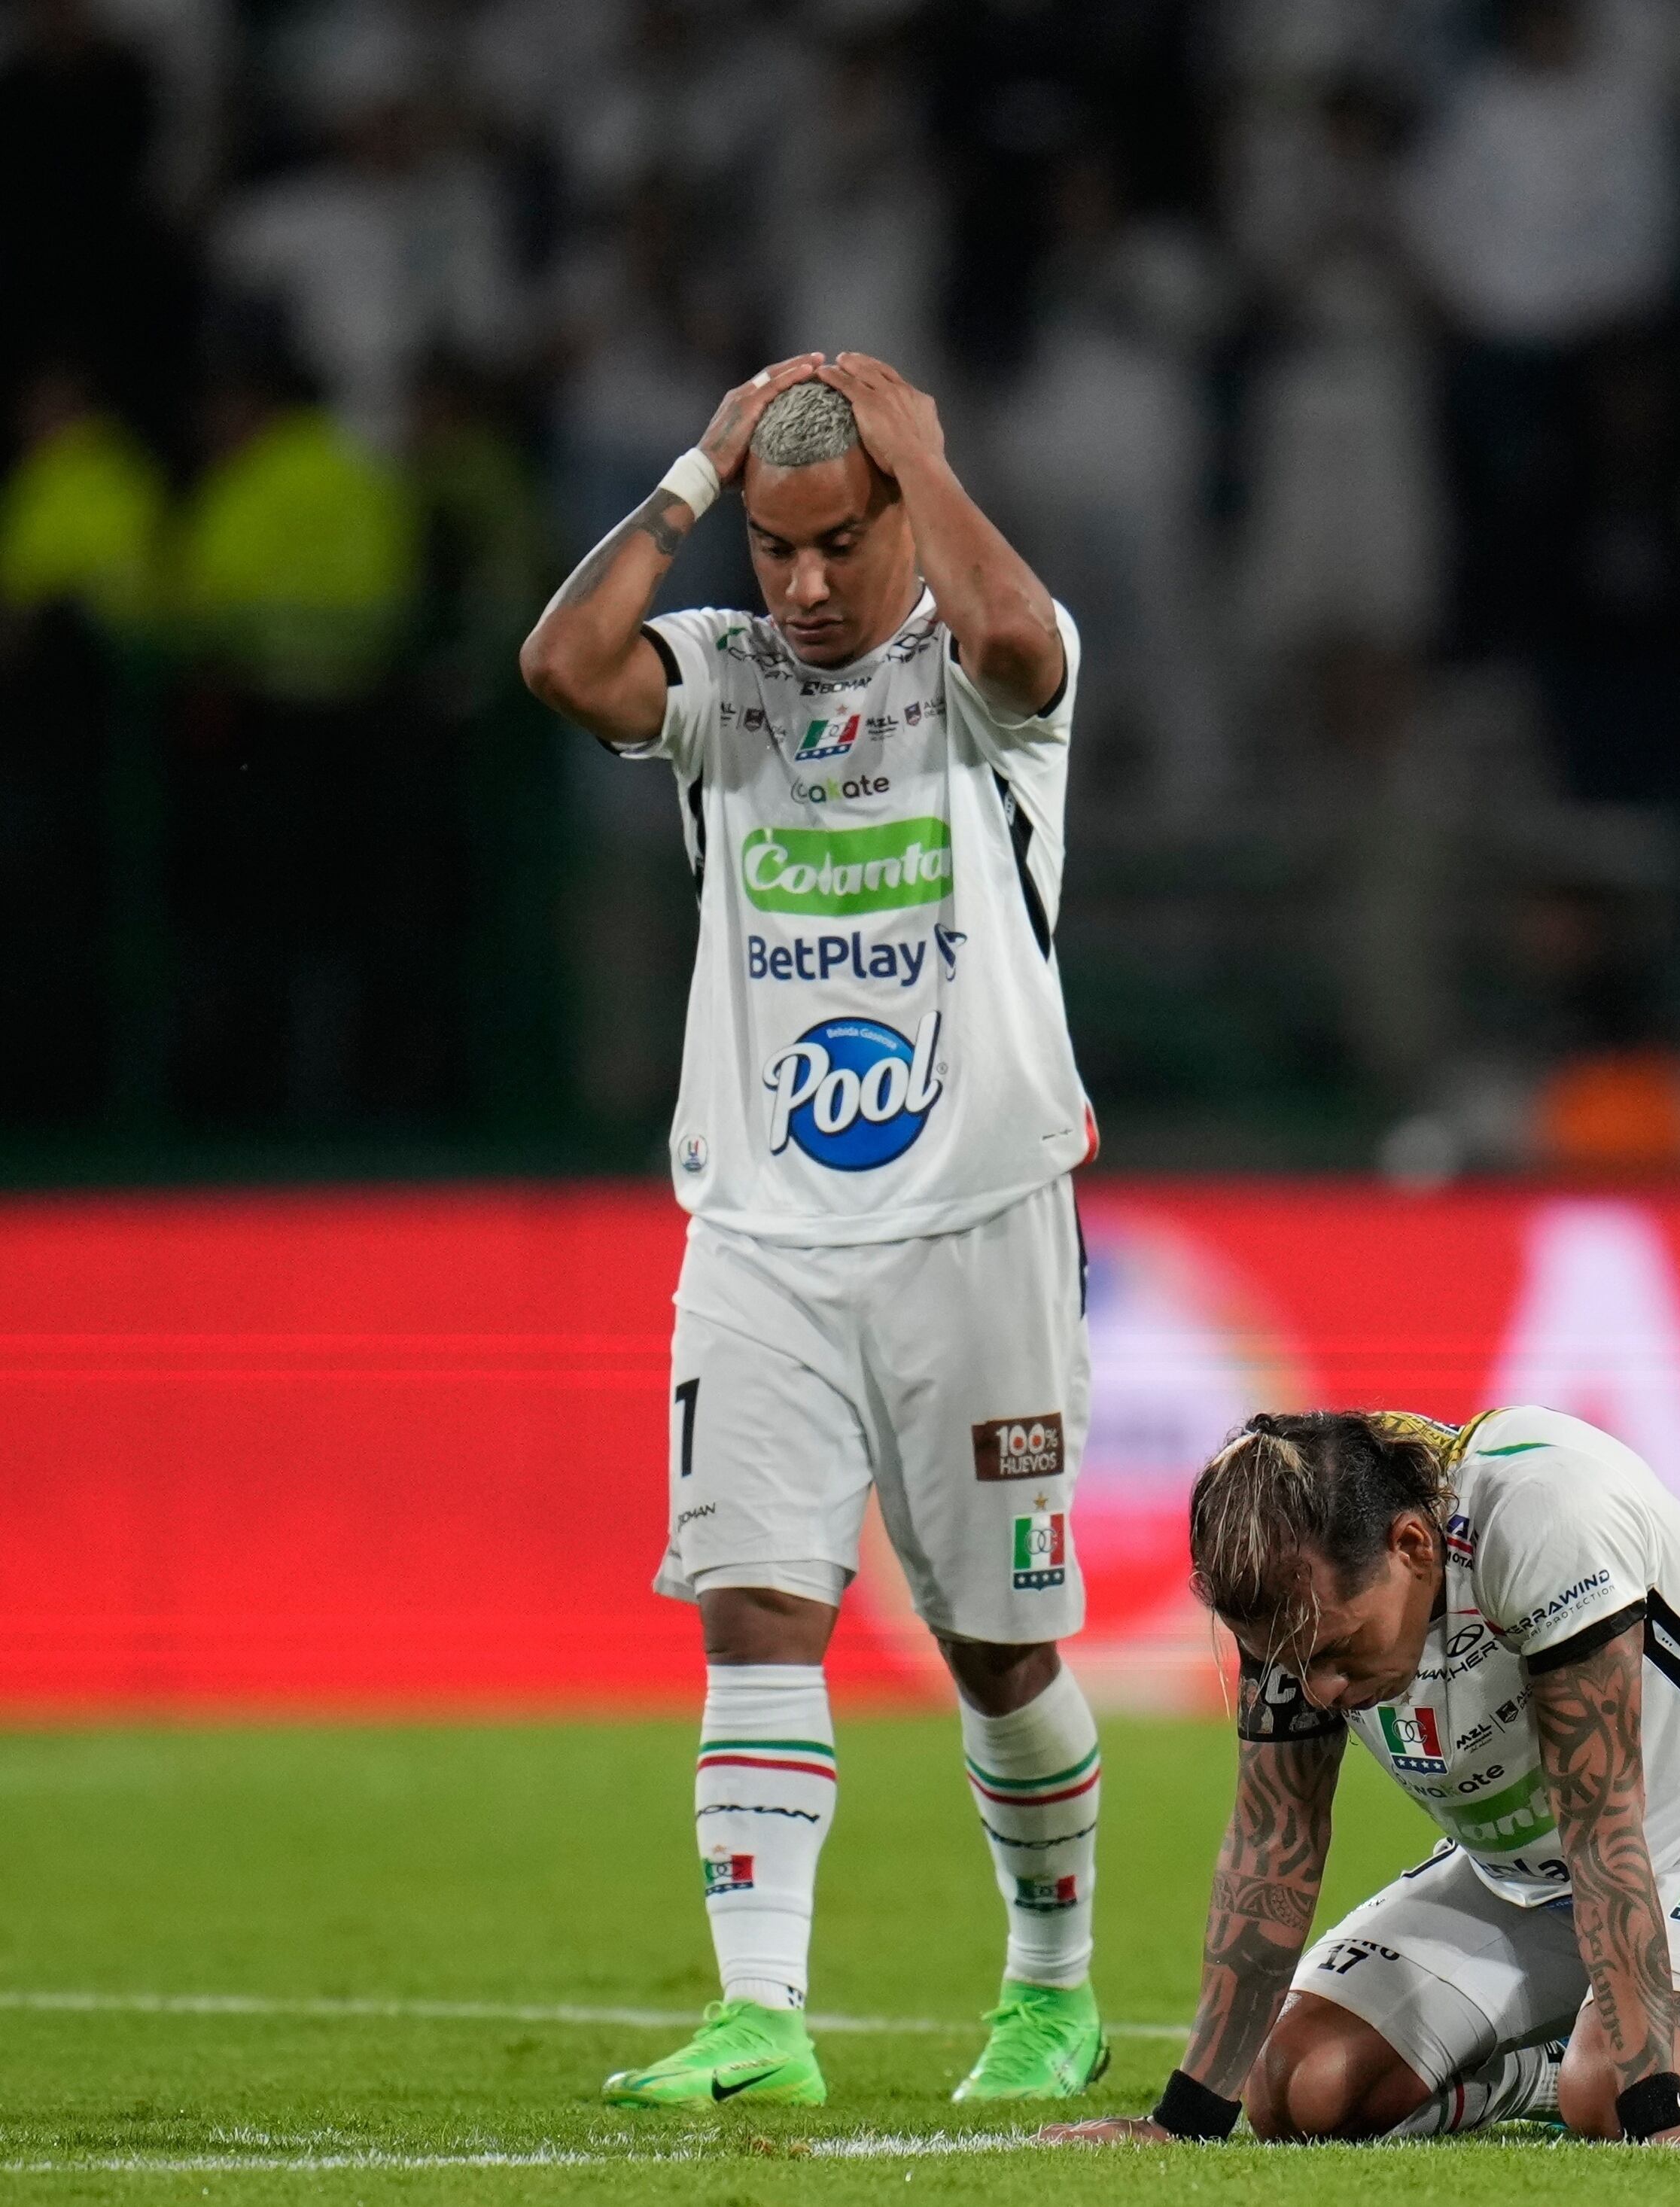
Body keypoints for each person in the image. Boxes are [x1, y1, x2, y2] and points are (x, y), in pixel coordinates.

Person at [518, 355, 1109, 2107]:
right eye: (774, 550)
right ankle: (762, 2014)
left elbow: (1014, 636)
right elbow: (561, 662)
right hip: (761, 1231)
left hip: (977, 1225)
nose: (805, 585)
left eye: (840, 541)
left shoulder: (995, 684)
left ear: (903, 514)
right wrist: (697, 471)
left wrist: (928, 454)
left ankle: (1053, 1987)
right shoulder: (725, 682)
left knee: (1001, 1646)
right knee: (755, 1609)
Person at [1039, 1408, 1680, 2146]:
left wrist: (1655, 2114)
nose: (1323, 1689)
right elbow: (1274, 1845)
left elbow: (1607, 1822)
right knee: (1302, 2091)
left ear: (1414, 1545)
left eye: (1339, 1653)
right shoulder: (1293, 1575)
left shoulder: (1543, 1519)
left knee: (1619, 2099)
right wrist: (1186, 2121)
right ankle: (1561, 2073)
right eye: (1291, 1664)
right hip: (1534, 1875)